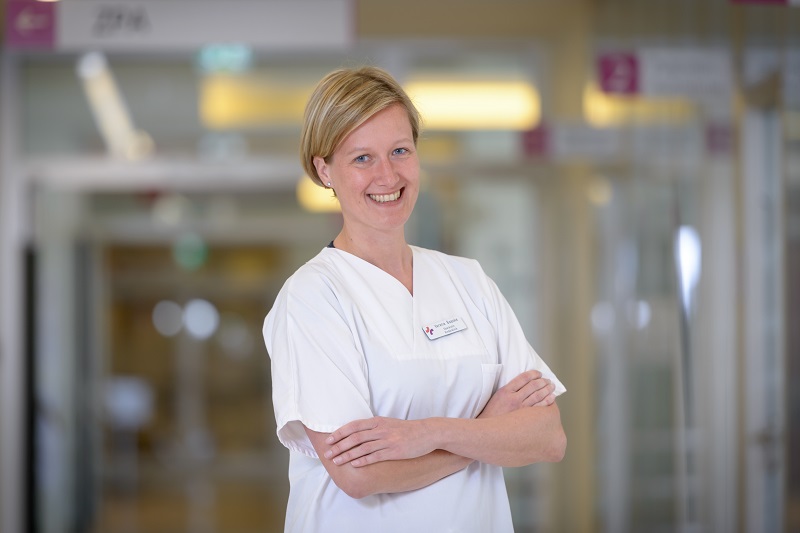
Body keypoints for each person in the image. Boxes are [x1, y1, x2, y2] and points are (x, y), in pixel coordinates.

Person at [263, 65, 567, 533]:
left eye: (400, 151)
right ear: (324, 170)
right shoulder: (314, 298)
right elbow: (359, 473)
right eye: (362, 158)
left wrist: (428, 433)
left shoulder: (469, 282)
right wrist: (487, 428)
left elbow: (547, 437)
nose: (387, 175)